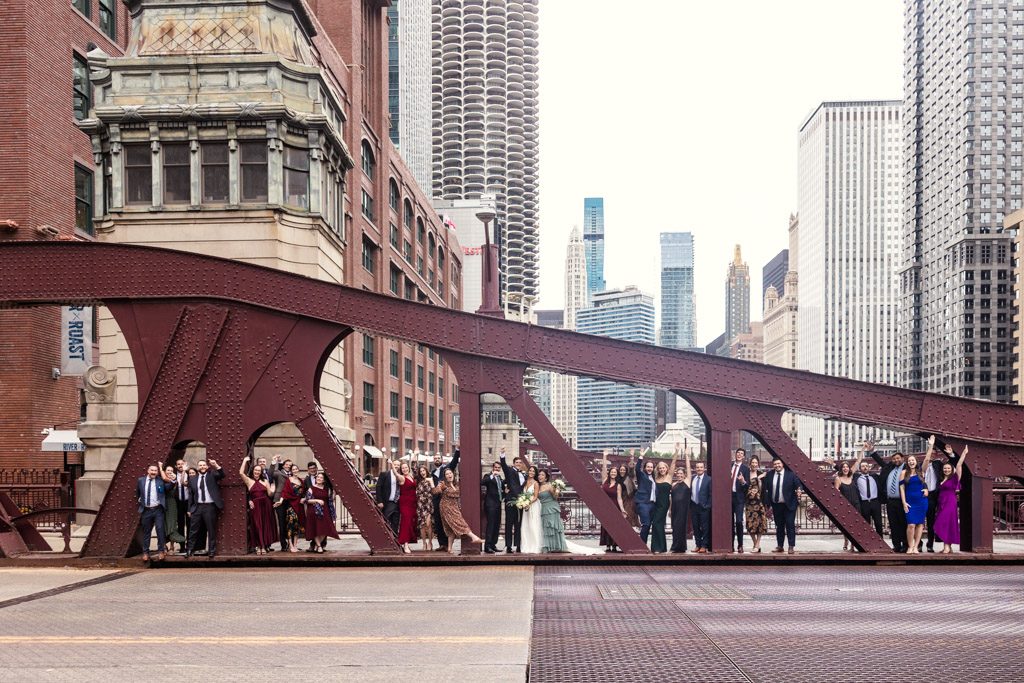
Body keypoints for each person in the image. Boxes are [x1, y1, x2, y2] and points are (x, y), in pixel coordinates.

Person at [431, 467, 484, 554]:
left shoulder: (456, 484)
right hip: (446, 507)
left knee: (450, 528)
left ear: (453, 474)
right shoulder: (442, 484)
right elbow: (435, 492)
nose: (449, 475)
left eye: (450, 473)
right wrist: (431, 482)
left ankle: (449, 549)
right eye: (447, 474)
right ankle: (473, 537)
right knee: (459, 522)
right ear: (445, 476)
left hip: (455, 506)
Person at [900, 436, 934, 554]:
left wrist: (930, 446)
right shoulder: (904, 473)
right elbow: (902, 487)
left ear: (916, 462)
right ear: (907, 463)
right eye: (909, 461)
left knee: (920, 524)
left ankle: (916, 546)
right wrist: (904, 502)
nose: (911, 462)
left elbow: (927, 459)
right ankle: (910, 546)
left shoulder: (921, 471)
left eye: (913, 460)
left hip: (921, 501)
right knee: (911, 524)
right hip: (910, 501)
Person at [186, 458, 225, 558]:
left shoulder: (212, 475)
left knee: (211, 529)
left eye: (204, 465)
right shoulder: (193, 479)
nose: (202, 467)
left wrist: (216, 465)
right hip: (197, 507)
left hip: (209, 507)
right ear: (197, 467)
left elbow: (222, 475)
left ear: (207, 467)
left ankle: (211, 550)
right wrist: (189, 509)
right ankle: (190, 549)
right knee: (193, 530)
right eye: (200, 465)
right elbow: (191, 495)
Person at [240, 456, 277, 555]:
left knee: (265, 526)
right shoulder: (249, 481)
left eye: (259, 471)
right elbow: (240, 473)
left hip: (266, 505)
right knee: (257, 525)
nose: (257, 472)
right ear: (253, 471)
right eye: (255, 470)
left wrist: (273, 489)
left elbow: (269, 494)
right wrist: (244, 461)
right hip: (256, 506)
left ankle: (263, 546)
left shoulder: (265, 481)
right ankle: (258, 546)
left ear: (261, 472)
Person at [764, 456, 802, 554]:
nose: (777, 466)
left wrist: (799, 490)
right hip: (776, 505)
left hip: (789, 504)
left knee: (790, 525)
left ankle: (791, 546)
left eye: (778, 463)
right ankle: (780, 546)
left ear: (782, 464)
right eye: (775, 464)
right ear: (773, 465)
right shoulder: (769, 474)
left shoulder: (791, 474)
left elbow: (798, 484)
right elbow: (765, 487)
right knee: (779, 526)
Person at [935, 444, 968, 553]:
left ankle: (947, 547)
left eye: (948, 468)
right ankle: (948, 546)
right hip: (941, 503)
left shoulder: (954, 479)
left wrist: (962, 454)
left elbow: (958, 465)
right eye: (945, 468)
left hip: (950, 503)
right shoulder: (941, 478)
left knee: (945, 523)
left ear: (951, 469)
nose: (946, 470)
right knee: (944, 523)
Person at [874, 450, 907, 552]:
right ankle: (896, 545)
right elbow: (881, 462)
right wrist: (872, 451)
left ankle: (905, 545)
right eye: (894, 459)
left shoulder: (907, 469)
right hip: (890, 501)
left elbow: (920, 476)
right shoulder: (890, 468)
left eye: (898, 458)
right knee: (893, 524)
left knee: (903, 523)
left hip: (902, 500)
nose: (896, 460)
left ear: (902, 459)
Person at [136, 463, 171, 561]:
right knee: (146, 532)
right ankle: (145, 553)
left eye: (155, 471)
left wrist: (172, 480)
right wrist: (140, 499)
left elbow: (169, 487)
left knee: (160, 530)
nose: (153, 472)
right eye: (152, 470)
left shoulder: (160, 480)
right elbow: (138, 493)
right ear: (148, 471)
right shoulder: (141, 480)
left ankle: (161, 551)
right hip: (146, 510)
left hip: (158, 510)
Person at [431, 446, 460, 551]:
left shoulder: (446, 469)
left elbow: (454, 462)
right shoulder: (432, 473)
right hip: (436, 499)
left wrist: (457, 450)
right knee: (438, 521)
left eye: (439, 458)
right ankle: (442, 544)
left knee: (447, 522)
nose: (437, 460)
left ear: (442, 460)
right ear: (433, 461)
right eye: (435, 458)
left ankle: (448, 545)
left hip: (447, 498)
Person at [833, 450, 864, 552]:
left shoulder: (851, 476)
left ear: (849, 469)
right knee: (846, 526)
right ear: (841, 469)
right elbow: (836, 493)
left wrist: (863, 448)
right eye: (843, 467)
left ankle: (852, 544)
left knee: (856, 525)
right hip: (845, 506)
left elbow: (858, 461)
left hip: (856, 504)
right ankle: (846, 540)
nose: (845, 469)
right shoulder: (838, 479)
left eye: (847, 467)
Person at [852, 443, 884, 538]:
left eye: (866, 466)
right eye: (863, 466)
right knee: (866, 524)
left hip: (875, 502)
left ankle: (880, 541)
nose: (865, 467)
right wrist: (834, 465)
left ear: (869, 468)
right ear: (860, 468)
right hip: (864, 503)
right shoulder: (856, 477)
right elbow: (846, 473)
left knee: (878, 523)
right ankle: (867, 541)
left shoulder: (875, 477)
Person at [650, 446, 679, 553]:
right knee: (658, 524)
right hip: (655, 503)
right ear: (658, 469)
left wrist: (676, 451)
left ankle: (657, 548)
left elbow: (673, 464)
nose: (662, 469)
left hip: (664, 504)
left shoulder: (669, 476)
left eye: (664, 468)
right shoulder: (656, 478)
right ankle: (661, 547)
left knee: (657, 523)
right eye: (660, 468)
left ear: (666, 468)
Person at [500, 447, 527, 553]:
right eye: (517, 462)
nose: (519, 464)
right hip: (510, 501)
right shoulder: (510, 471)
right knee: (509, 524)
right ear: (514, 463)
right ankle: (509, 546)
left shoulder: (524, 474)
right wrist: (502, 454)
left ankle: (518, 545)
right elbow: (503, 466)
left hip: (521, 502)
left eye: (520, 462)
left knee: (518, 525)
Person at [273, 463, 306, 552]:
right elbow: (285, 492)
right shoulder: (288, 480)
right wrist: (280, 501)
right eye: (293, 469)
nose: (295, 470)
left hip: (299, 505)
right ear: (291, 471)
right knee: (291, 524)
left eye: (296, 469)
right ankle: (290, 545)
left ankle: (295, 545)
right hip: (291, 505)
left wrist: (304, 498)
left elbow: (305, 492)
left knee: (297, 525)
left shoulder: (301, 480)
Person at [304, 472, 339, 552]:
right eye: (318, 477)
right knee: (315, 528)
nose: (318, 479)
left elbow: (331, 499)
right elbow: (307, 500)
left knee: (326, 528)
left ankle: (317, 544)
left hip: (325, 510)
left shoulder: (327, 489)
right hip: (313, 510)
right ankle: (319, 546)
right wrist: (317, 500)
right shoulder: (311, 488)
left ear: (324, 480)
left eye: (321, 478)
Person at [599, 452, 625, 552]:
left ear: (617, 474)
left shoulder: (618, 485)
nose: (613, 473)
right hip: (605, 507)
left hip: (614, 506)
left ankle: (614, 545)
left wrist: (622, 509)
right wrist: (604, 457)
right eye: (612, 472)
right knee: (605, 525)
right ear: (610, 473)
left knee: (614, 526)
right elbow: (604, 468)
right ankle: (607, 545)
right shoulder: (605, 480)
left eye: (615, 472)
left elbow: (619, 498)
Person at [669, 449, 693, 553]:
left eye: (681, 474)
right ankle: (677, 546)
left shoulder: (687, 482)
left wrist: (687, 456)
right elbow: (672, 498)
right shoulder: (673, 485)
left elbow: (688, 468)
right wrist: (669, 510)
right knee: (675, 527)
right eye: (677, 473)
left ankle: (679, 547)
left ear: (684, 474)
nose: (679, 475)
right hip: (674, 508)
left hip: (683, 509)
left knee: (681, 527)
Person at [162, 464, 186, 555]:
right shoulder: (162, 481)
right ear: (165, 472)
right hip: (163, 504)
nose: (169, 472)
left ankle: (172, 547)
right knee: (163, 525)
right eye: (168, 470)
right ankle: (164, 546)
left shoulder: (175, 481)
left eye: (171, 470)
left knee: (172, 525)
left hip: (172, 504)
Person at [633, 448, 657, 543]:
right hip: (643, 503)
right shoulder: (642, 475)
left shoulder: (655, 477)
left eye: (651, 467)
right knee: (646, 524)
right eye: (648, 467)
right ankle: (642, 544)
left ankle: (644, 544)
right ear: (645, 467)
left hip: (652, 504)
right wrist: (641, 457)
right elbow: (637, 469)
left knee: (649, 525)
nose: (650, 468)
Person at [269, 455, 293, 552]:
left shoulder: (293, 474)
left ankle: (291, 544)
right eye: (286, 465)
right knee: (282, 522)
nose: (288, 466)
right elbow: (270, 473)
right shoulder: (278, 473)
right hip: (279, 500)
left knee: (291, 522)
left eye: (290, 465)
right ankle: (283, 544)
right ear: (283, 466)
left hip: (290, 500)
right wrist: (274, 462)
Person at [744, 456, 767, 552]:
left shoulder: (761, 474)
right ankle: (755, 544)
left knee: (760, 524)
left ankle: (757, 545)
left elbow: (762, 489)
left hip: (759, 502)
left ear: (758, 464)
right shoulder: (746, 473)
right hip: (749, 503)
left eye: (756, 462)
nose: (754, 464)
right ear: (750, 463)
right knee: (750, 525)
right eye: (752, 462)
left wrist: (759, 479)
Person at [730, 448, 751, 553]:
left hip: (739, 498)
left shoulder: (745, 469)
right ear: (735, 454)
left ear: (743, 457)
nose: (739, 455)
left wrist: (743, 481)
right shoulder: (729, 465)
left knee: (738, 521)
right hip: (728, 497)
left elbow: (747, 487)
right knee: (729, 522)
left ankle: (740, 545)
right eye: (738, 453)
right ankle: (730, 545)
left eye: (741, 454)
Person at [481, 461, 504, 553]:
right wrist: (492, 476)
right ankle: (487, 546)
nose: (497, 469)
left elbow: (500, 490)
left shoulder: (499, 478)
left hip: (498, 504)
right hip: (490, 504)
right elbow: (483, 482)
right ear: (492, 468)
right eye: (496, 467)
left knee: (496, 525)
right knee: (490, 525)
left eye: (499, 468)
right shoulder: (488, 476)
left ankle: (493, 545)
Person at [396, 461, 419, 554]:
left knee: (411, 521)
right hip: (405, 502)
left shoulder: (411, 476)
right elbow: (395, 473)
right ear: (401, 470)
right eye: (403, 468)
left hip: (413, 502)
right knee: (406, 522)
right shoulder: (402, 478)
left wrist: (414, 456)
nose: (405, 469)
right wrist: (391, 465)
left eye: (406, 467)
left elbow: (414, 467)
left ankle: (407, 543)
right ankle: (405, 544)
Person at [690, 460, 712, 552]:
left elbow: (711, 494)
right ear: (695, 469)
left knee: (705, 527)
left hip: (704, 507)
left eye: (701, 467)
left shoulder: (709, 479)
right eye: (697, 467)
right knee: (695, 526)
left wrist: (708, 506)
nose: (699, 469)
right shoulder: (692, 478)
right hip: (694, 506)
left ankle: (704, 545)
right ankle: (697, 545)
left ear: (704, 468)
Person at [375, 458, 401, 535]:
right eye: (395, 464)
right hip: (387, 503)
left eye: (398, 465)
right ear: (392, 465)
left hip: (397, 503)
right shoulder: (384, 474)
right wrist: (379, 501)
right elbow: (378, 487)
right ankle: (384, 537)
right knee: (386, 521)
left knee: (395, 523)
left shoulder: (401, 476)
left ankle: (395, 540)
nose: (396, 466)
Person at [521, 465, 542, 554]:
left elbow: (536, 497)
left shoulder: (536, 483)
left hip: (533, 505)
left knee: (533, 524)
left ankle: (535, 546)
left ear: (535, 473)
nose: (531, 472)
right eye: (530, 471)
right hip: (526, 506)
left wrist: (528, 503)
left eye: (533, 471)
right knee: (526, 525)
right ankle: (527, 545)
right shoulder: (525, 482)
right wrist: (523, 502)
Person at [415, 465, 435, 551]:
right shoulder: (418, 481)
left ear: (426, 471)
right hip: (420, 506)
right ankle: (424, 543)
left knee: (428, 524)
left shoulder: (430, 479)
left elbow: (434, 491)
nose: (422, 472)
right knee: (421, 526)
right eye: (421, 471)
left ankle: (430, 542)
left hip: (428, 505)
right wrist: (415, 455)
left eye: (424, 471)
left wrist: (431, 482)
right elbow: (414, 467)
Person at [172, 458, 190, 546]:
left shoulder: (189, 475)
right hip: (178, 503)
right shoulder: (173, 476)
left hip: (188, 502)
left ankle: (190, 545)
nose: (180, 466)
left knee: (190, 524)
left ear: (185, 464)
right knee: (180, 524)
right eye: (178, 464)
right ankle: (182, 545)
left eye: (182, 464)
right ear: (175, 466)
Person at [618, 463, 639, 528]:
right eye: (621, 470)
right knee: (620, 517)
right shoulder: (617, 479)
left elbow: (632, 471)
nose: (622, 471)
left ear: (626, 471)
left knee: (628, 515)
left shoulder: (629, 477)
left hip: (629, 499)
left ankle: (629, 533)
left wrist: (631, 457)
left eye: (624, 470)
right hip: (620, 498)